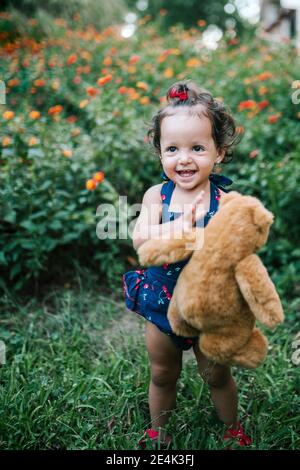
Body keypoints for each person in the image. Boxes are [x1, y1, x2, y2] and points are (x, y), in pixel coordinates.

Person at [122, 80, 252, 449]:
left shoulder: (225, 201)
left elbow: (238, 253)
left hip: (208, 309)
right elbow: (140, 243)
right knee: (163, 374)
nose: (184, 158)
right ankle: (158, 433)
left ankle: (231, 428)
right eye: (173, 148)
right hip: (162, 305)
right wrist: (177, 226)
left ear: (219, 152)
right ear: (160, 152)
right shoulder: (156, 196)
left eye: (197, 148)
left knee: (216, 375)